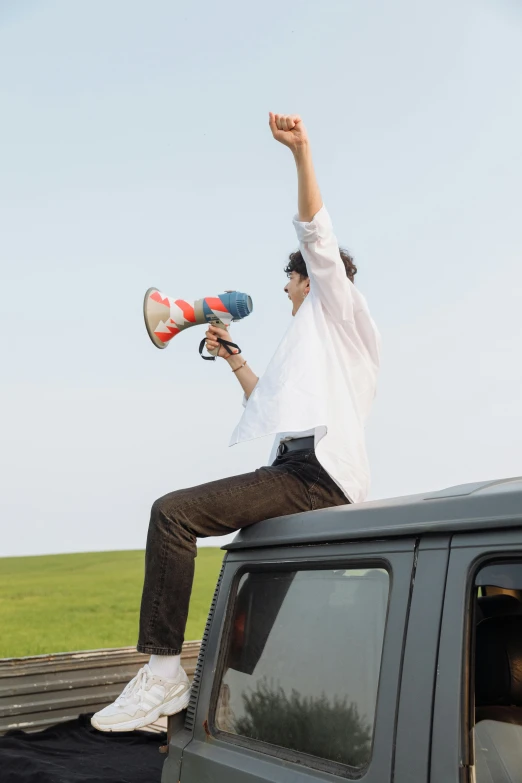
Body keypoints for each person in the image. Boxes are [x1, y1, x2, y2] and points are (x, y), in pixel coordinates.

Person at [91, 113, 381, 732]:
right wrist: (236, 361)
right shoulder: (312, 349)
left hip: (316, 478)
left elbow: (317, 232)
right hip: (299, 470)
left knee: (173, 514)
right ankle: (225, 715)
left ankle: (163, 679)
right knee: (251, 583)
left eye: (290, 278)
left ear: (312, 278)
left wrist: (301, 152)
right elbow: (274, 413)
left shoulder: (339, 307)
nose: (284, 289)